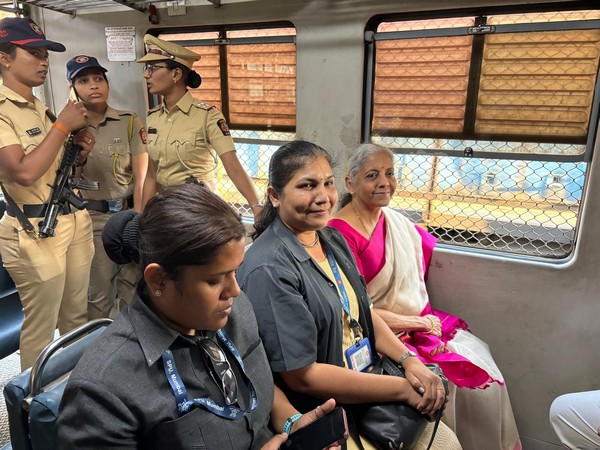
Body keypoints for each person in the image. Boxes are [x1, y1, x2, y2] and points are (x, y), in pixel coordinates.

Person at [57, 182, 340, 449]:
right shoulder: (102, 393)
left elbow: (253, 383)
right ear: (158, 280)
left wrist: (293, 422)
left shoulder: (232, 311)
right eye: (215, 280)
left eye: (235, 271)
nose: (235, 290)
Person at [237, 140, 462, 450]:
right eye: (307, 185)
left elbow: (364, 313)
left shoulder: (330, 239)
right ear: (275, 196)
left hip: (365, 380)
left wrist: (409, 360)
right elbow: (302, 377)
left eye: (328, 184)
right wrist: (400, 389)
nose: (323, 197)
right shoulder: (270, 268)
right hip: (323, 406)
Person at [327, 143, 522, 450]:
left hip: (410, 318)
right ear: (350, 183)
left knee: (481, 363)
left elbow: (417, 254)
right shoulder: (339, 233)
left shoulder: (394, 221)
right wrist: (417, 323)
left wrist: (419, 320)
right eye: (372, 175)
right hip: (377, 331)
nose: (384, 182)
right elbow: (359, 309)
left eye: (390, 173)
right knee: (451, 379)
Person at [0, 17, 95, 370]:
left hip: (72, 220)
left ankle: (72, 391)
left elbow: (58, 168)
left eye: (45, 55)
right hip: (33, 232)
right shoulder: (3, 110)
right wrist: (62, 127)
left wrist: (79, 149)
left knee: (76, 317)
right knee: (42, 326)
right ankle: (32, 407)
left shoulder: (42, 106)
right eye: (34, 54)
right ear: (5, 58)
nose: (43, 62)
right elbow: (22, 172)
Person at [136, 34, 263, 218]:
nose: (146, 74)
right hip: (166, 208)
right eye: (147, 68)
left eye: (153, 68)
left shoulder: (208, 116)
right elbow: (151, 175)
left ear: (176, 74)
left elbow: (232, 166)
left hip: (200, 208)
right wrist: (142, 216)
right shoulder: (153, 118)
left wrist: (257, 206)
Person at [66, 54, 148, 319]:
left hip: (127, 216)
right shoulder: (67, 127)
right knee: (99, 294)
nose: (94, 85)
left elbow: (142, 175)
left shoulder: (128, 120)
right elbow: (66, 178)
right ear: (73, 88)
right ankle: (97, 352)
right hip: (92, 220)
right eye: (84, 80)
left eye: (99, 78)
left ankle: (130, 351)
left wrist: (138, 215)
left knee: (131, 287)